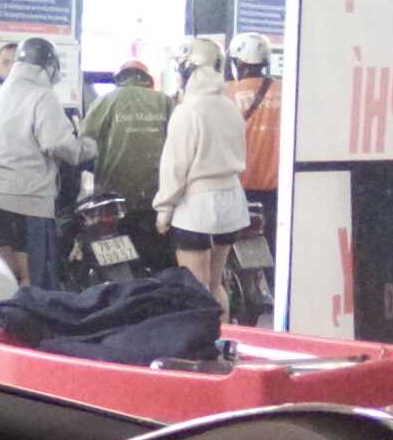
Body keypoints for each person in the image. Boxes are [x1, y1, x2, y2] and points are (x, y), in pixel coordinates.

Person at [0, 36, 96, 287]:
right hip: (26, 202)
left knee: (0, 278)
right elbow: (59, 144)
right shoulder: (42, 97)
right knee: (31, 279)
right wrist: (88, 148)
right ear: (48, 67)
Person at [153, 37, 249, 315]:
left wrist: (164, 209)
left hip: (197, 207)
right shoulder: (231, 108)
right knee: (216, 285)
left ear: (189, 70)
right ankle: (225, 337)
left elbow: (174, 166)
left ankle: (203, 340)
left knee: (195, 290)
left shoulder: (187, 111)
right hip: (232, 202)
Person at [80, 57, 173, 268]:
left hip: (114, 197)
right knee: (158, 257)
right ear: (148, 80)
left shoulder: (104, 101)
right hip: (156, 195)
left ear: (119, 79)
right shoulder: (165, 102)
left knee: (118, 259)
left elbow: (85, 142)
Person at [225, 32, 282, 261]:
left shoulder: (227, 93)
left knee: (230, 251)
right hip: (279, 189)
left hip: (240, 187)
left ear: (238, 63)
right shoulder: (287, 91)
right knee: (276, 248)